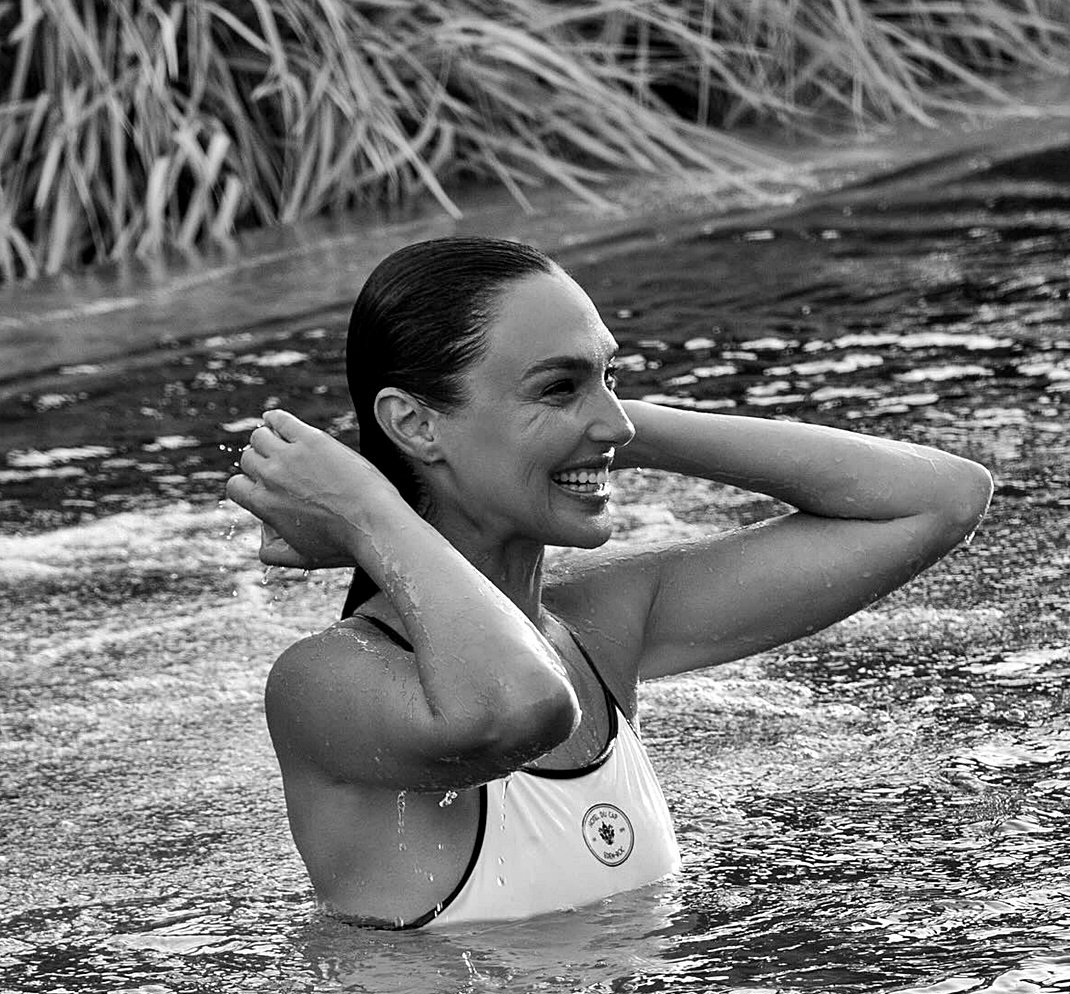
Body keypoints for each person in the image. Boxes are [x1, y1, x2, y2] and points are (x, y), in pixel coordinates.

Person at [226, 235, 992, 930]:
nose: (617, 422)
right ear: (417, 426)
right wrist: (367, 514)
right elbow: (520, 710)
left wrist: (606, 425)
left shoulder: (596, 624)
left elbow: (941, 498)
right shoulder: (327, 682)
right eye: (558, 387)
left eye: (609, 377)